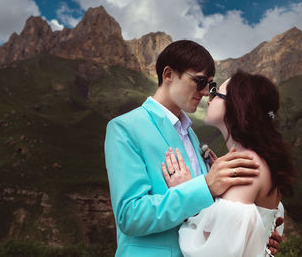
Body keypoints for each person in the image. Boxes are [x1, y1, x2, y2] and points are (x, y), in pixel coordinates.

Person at [104, 40, 281, 257]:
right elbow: (129, 216)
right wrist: (205, 186)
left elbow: (206, 212)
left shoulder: (192, 134)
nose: (206, 92)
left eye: (209, 84)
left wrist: (253, 236)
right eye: (199, 82)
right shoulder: (125, 128)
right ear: (168, 74)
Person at [162, 70, 296, 256]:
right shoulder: (255, 159)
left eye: (216, 94)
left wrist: (186, 193)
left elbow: (213, 250)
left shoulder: (247, 165)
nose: (208, 99)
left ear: (236, 106)